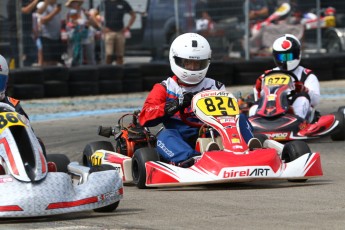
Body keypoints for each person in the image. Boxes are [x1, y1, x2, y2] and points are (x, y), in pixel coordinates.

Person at [139, 33, 254, 166]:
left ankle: (249, 150)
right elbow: (145, 117)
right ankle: (190, 160)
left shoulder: (215, 86)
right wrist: (173, 105)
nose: (193, 68)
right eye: (188, 63)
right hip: (182, 137)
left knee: (240, 118)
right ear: (176, 60)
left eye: (198, 64)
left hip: (213, 132)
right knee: (164, 136)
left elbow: (230, 117)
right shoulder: (165, 88)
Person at [249, 34, 321, 120]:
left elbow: (315, 101)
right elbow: (259, 99)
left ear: (297, 54)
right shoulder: (266, 75)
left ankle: (298, 124)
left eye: (289, 56)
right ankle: (256, 126)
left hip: (294, 111)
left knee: (302, 98)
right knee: (254, 107)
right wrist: (257, 89)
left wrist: (303, 89)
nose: (285, 60)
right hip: (270, 109)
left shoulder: (306, 75)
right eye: (282, 57)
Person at [93, 0, 136, 65]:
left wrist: (128, 27)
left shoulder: (123, 3)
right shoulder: (104, 3)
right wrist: (101, 27)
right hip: (109, 32)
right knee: (108, 54)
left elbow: (133, 15)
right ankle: (108, 71)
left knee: (120, 55)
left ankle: (119, 71)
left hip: (120, 31)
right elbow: (93, 15)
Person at [7, 0, 42, 67]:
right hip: (16, 34)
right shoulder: (12, 2)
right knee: (17, 58)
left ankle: (26, 68)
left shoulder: (25, 1)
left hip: (27, 33)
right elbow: (26, 10)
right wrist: (36, 1)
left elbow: (37, 11)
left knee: (33, 54)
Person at [65, 0, 97, 66]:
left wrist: (89, 19)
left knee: (90, 55)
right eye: (73, 3)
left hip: (87, 36)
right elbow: (69, 24)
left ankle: (93, 71)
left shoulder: (85, 11)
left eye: (76, 2)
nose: (74, 4)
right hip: (75, 37)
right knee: (75, 56)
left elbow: (94, 23)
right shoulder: (70, 13)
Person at [39, 0, 63, 66]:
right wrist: (54, 12)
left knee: (55, 60)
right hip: (47, 37)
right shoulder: (44, 6)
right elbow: (42, 20)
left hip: (56, 37)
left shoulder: (56, 6)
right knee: (47, 61)